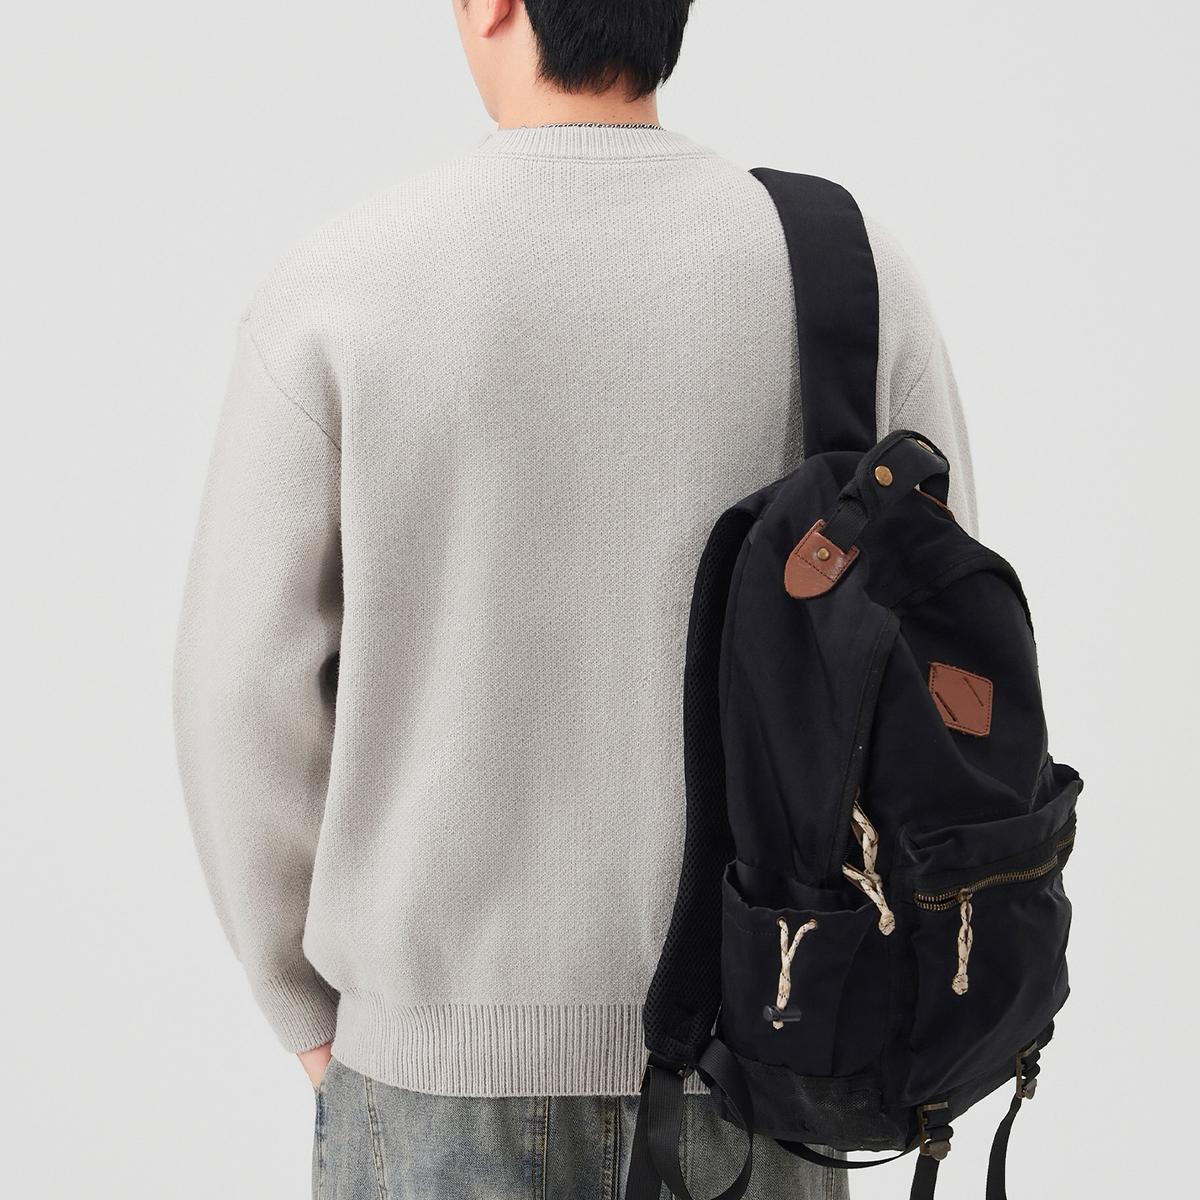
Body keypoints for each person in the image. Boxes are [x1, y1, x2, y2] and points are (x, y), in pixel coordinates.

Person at [172, 1, 977, 1196]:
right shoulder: (848, 276)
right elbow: (947, 663)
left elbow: (238, 691)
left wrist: (315, 1011)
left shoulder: (340, 287)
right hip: (771, 1040)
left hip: (432, 1077)